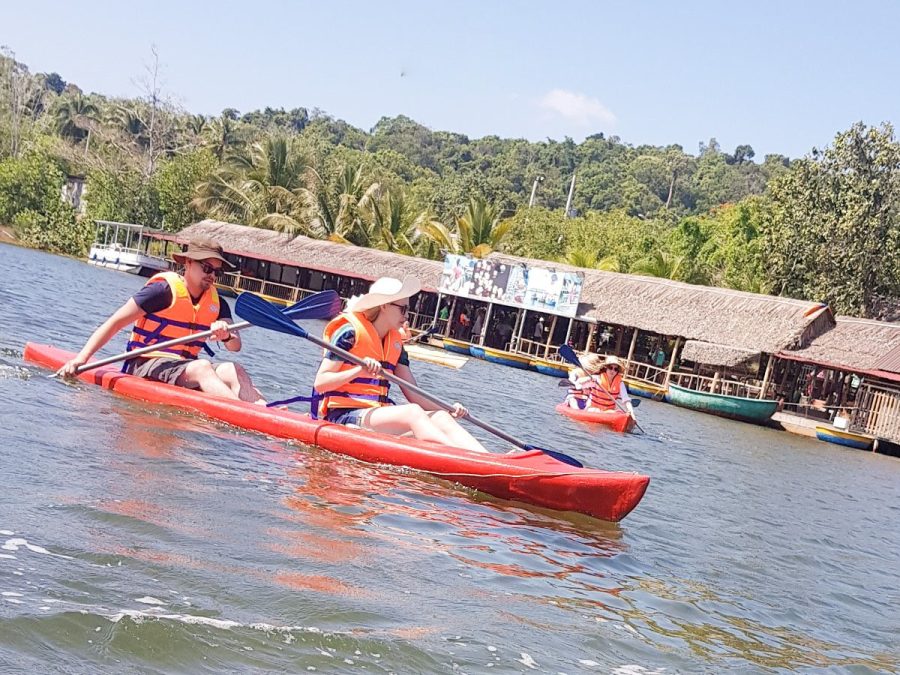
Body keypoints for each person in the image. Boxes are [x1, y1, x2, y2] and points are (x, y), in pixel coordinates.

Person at [58, 238, 265, 403]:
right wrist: (81, 359)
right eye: (207, 268)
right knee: (202, 367)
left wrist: (227, 334)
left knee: (233, 368)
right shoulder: (161, 291)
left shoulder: (217, 303)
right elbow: (115, 323)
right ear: (189, 263)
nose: (212, 276)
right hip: (145, 364)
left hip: (185, 367)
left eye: (217, 272)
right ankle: (247, 415)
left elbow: (235, 345)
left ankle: (264, 410)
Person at [313, 276, 488, 453]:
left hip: (378, 415)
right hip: (344, 415)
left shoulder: (396, 343)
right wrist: (359, 370)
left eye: (408, 309)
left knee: (441, 417)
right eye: (402, 309)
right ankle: (461, 458)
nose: (406, 316)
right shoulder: (348, 332)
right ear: (384, 305)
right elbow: (321, 383)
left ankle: (488, 459)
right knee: (412, 413)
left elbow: (414, 393)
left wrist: (450, 409)